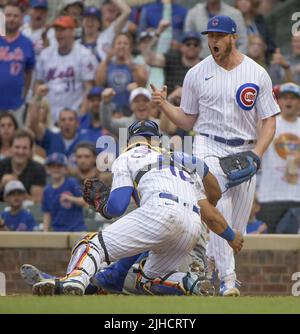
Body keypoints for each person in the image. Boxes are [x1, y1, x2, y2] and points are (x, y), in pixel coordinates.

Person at [31, 120, 243, 296]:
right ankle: (191, 283)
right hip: (192, 227)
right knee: (148, 279)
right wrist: (232, 237)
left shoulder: (128, 156)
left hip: (161, 212)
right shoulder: (180, 165)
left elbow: (117, 206)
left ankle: (75, 280)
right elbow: (211, 213)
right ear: (157, 140)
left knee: (91, 244)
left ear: (130, 140)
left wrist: (102, 204)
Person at [151, 15, 280, 296]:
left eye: (219, 36)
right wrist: (163, 105)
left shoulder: (257, 73)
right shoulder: (196, 73)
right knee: (218, 212)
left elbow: (270, 120)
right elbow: (186, 121)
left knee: (236, 229)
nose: (213, 41)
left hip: (245, 148)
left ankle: (208, 268)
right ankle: (229, 283)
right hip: (208, 146)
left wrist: (257, 154)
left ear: (233, 37)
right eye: (210, 36)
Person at [35, 15, 97, 122]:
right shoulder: (46, 54)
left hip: (73, 115)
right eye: (57, 30)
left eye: (63, 30)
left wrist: (82, 115)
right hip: (49, 115)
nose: (59, 34)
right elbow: (38, 84)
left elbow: (89, 88)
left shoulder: (84, 55)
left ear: (72, 32)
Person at [257, 83, 300, 233]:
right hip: (270, 195)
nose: (289, 101)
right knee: (268, 246)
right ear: (278, 101)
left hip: (297, 196)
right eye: (285, 97)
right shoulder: (269, 124)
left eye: (293, 98)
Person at [27, 85, 95, 159]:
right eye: (63, 120)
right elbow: (33, 124)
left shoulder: (86, 140)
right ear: (58, 124)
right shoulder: (51, 138)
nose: (67, 122)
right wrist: (38, 97)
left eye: (70, 119)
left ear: (77, 123)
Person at [95, 32, 148, 116]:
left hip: (130, 113)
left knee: (123, 129)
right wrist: (107, 59)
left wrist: (131, 66)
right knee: (114, 128)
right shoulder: (107, 64)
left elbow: (142, 85)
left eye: (125, 43)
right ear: (113, 47)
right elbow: (99, 83)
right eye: (119, 43)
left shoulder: (138, 65)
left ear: (130, 48)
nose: (122, 46)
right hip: (110, 112)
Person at [0, 2, 35, 125]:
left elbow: (29, 73)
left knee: (15, 139)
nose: (11, 19)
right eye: (8, 15)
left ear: (21, 19)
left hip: (16, 105)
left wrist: (24, 96)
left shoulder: (27, 43)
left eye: (15, 16)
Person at [42, 152, 87, 232]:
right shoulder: (47, 190)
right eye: (52, 166)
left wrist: (70, 198)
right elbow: (47, 213)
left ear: (65, 169)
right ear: (48, 169)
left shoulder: (72, 183)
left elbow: (85, 202)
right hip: (58, 231)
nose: (56, 169)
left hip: (76, 229)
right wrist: (45, 231)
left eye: (59, 166)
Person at [0, 129, 46, 203]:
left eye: (24, 148)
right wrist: (2, 184)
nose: (20, 152)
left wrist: (17, 186)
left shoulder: (38, 169)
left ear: (30, 150)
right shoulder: (1, 165)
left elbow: (37, 204)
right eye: (17, 147)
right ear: (11, 148)